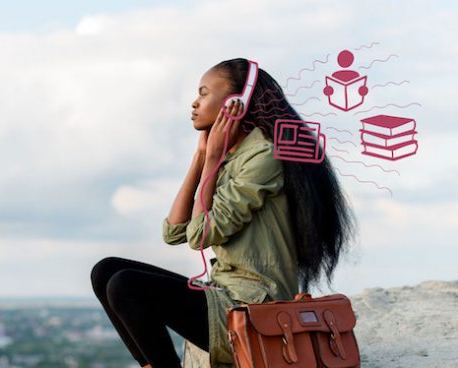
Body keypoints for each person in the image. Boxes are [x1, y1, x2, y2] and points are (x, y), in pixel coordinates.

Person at [90, 58, 356, 368]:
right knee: (105, 270)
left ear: (236, 104)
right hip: (223, 293)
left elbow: (201, 235)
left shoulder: (264, 154)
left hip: (252, 310)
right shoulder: (232, 155)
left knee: (126, 285)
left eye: (203, 93)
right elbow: (173, 232)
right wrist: (201, 157)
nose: (194, 102)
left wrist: (213, 158)